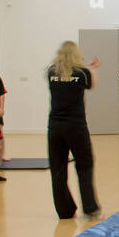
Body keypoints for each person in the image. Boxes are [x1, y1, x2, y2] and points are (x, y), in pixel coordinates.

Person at [47, 40, 100, 219]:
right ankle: (90, 208)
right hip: (75, 126)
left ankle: (65, 211)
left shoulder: (51, 72)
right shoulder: (82, 73)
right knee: (85, 165)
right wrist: (93, 68)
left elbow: (65, 78)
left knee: (58, 169)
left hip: (55, 127)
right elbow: (91, 86)